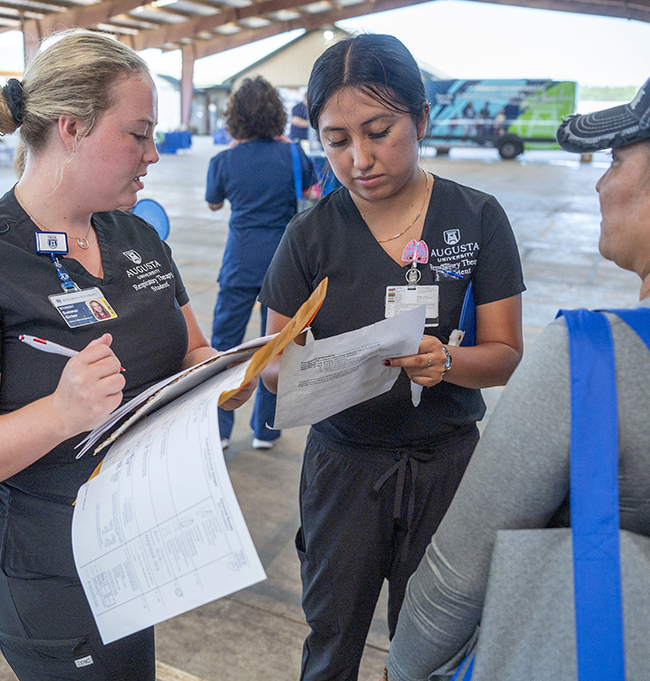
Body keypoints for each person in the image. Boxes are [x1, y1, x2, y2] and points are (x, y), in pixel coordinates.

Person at [386, 33, 650, 681]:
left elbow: (450, 589)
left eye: (616, 158)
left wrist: (402, 667)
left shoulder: (595, 358)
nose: (601, 182)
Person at [0, 30, 255, 681]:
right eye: (138, 133)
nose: (152, 153)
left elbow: (192, 350)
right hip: (48, 569)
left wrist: (230, 374)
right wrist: (59, 413)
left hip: (139, 547)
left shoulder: (138, 234)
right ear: (71, 127)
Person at [258, 34, 525, 680]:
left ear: (421, 118)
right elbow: (271, 359)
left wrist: (449, 364)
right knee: (332, 632)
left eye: (379, 131)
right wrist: (326, 371)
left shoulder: (477, 218)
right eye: (337, 140)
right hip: (344, 465)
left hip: (447, 466)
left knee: (431, 644)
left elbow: (506, 352)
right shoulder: (311, 235)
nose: (360, 159)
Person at [206, 76, 316, 451]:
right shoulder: (294, 154)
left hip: (239, 264)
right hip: (285, 267)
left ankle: (219, 429)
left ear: (234, 116)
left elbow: (214, 203)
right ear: (277, 114)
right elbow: (311, 192)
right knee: (278, 346)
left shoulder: (224, 159)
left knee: (226, 347)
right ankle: (265, 430)